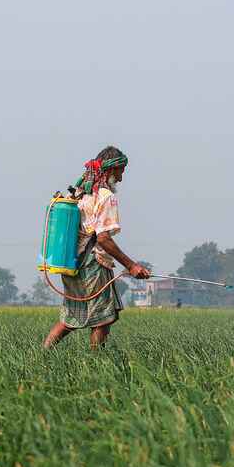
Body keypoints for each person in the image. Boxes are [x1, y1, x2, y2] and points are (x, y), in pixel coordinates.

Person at [42, 146, 151, 350]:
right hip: (93, 263)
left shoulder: (81, 193)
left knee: (71, 317)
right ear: (110, 170)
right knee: (103, 319)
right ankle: (96, 365)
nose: (121, 177)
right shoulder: (105, 196)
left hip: (72, 262)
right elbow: (103, 239)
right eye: (121, 171)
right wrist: (131, 265)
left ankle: (41, 355)